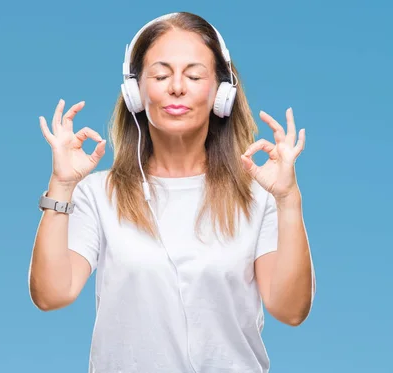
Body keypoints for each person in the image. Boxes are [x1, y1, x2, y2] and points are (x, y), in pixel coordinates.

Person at [29, 11, 316, 373]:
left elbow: (290, 311)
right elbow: (52, 294)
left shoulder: (258, 197)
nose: (176, 87)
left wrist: (288, 201)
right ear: (134, 92)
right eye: (161, 75)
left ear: (221, 92)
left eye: (194, 75)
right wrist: (62, 185)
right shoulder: (98, 194)